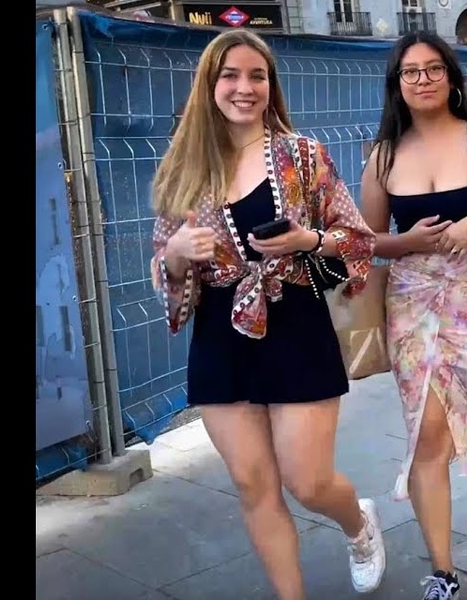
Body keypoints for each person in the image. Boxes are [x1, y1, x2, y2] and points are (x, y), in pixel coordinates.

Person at [149, 29, 385, 599]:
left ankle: (359, 524)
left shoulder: (302, 156)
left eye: (257, 76)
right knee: (253, 485)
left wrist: (309, 240)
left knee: (308, 481)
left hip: (295, 322)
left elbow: (359, 239)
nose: (244, 87)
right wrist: (176, 254)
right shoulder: (185, 168)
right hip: (220, 334)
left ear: (271, 86)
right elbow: (164, 266)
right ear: (209, 86)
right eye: (230, 75)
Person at [358, 32, 467, 600]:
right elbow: (366, 241)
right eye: (411, 72)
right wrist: (406, 241)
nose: (424, 79)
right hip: (413, 303)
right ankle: (444, 571)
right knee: (426, 431)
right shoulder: (384, 156)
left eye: (434, 68)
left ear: (452, 76)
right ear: (397, 85)